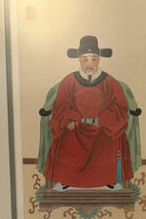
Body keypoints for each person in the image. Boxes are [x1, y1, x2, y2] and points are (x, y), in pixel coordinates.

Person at [43, 35, 134, 190]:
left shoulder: (109, 82)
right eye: (85, 59)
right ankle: (67, 179)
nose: (89, 63)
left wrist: (104, 120)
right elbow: (61, 105)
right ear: (79, 60)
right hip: (76, 128)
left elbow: (120, 106)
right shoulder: (69, 81)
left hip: (103, 129)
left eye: (93, 59)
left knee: (110, 143)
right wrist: (70, 118)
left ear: (99, 60)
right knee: (66, 141)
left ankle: (108, 178)